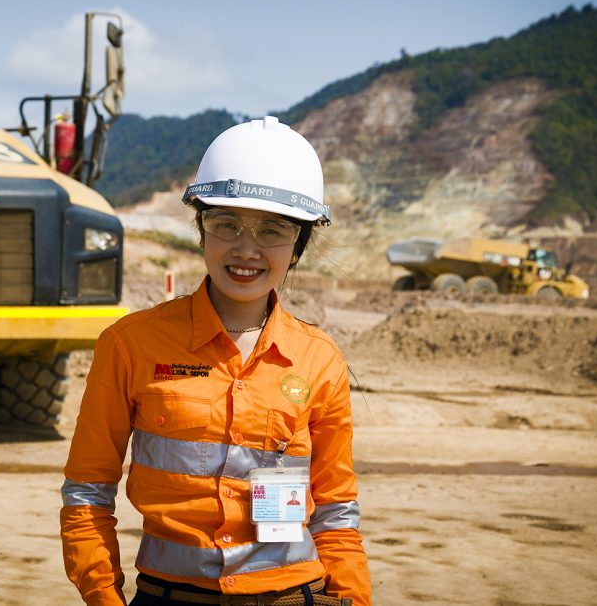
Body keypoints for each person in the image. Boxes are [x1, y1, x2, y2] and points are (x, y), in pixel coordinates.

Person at [61, 116, 371, 606]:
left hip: (296, 596)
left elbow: (335, 511)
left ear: (297, 247)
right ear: (201, 229)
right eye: (227, 224)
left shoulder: (319, 359)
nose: (246, 249)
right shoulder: (129, 345)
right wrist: (102, 594)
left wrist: (354, 599)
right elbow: (87, 492)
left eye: (272, 230)